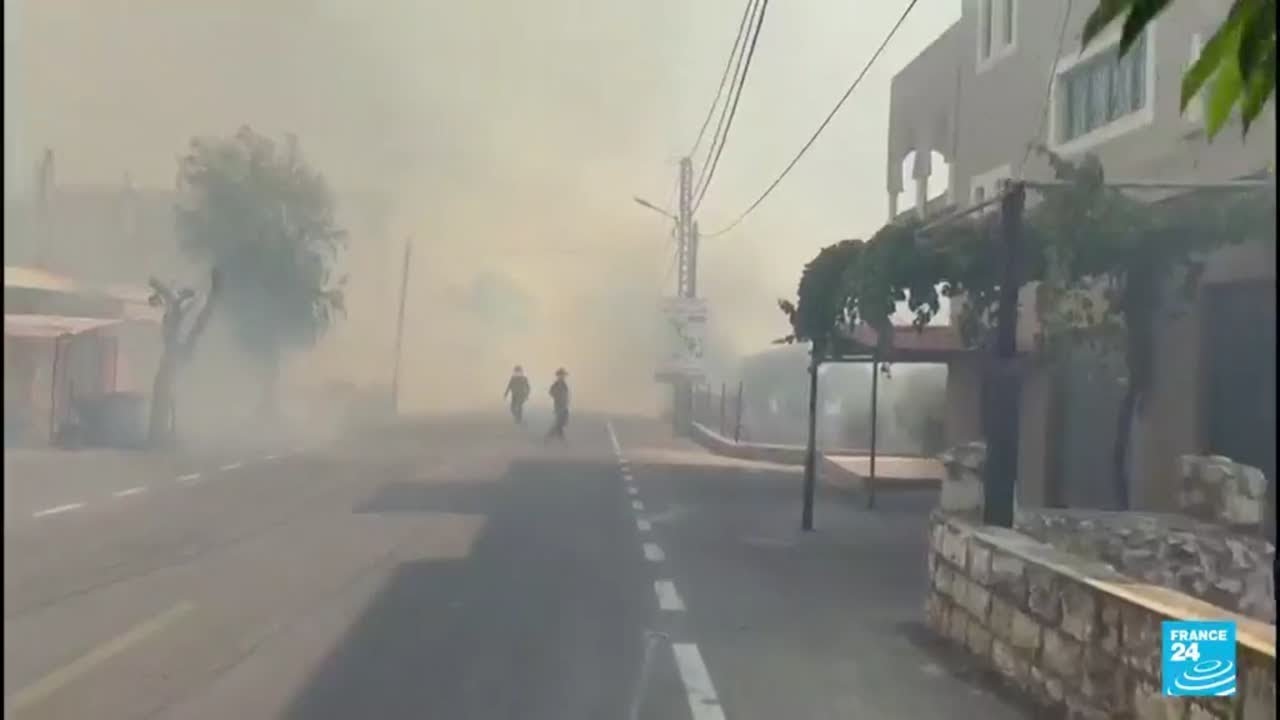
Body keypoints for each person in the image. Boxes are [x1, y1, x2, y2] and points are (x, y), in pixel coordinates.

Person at [546, 368, 570, 442]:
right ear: (558, 376)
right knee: (559, 424)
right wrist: (557, 397)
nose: (563, 376)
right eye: (561, 375)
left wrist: (566, 402)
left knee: (562, 423)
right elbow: (551, 392)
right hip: (559, 406)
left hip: (564, 406)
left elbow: (566, 395)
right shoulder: (556, 384)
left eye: (563, 375)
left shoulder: (564, 384)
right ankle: (550, 438)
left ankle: (550, 438)